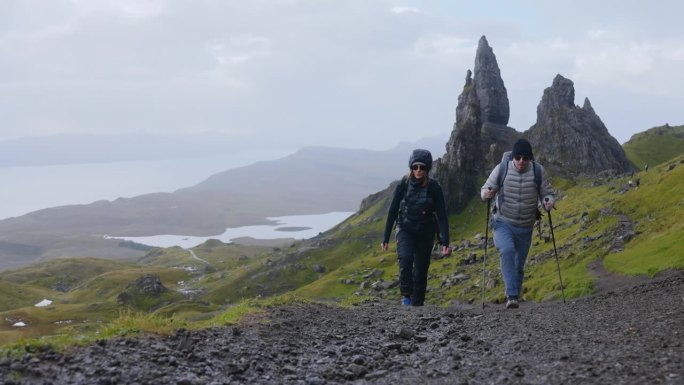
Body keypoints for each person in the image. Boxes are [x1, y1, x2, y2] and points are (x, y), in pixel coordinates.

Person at [481, 139, 554, 309]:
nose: (521, 161)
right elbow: (485, 189)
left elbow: (547, 193)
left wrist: (548, 201)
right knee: (507, 250)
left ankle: (516, 297)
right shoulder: (502, 168)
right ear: (513, 157)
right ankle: (512, 296)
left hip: (526, 226)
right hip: (503, 221)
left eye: (525, 158)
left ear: (530, 159)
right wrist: (487, 194)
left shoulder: (538, 171)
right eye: (518, 157)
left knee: (519, 265)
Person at [381, 149, 450, 306]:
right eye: (415, 167)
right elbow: (392, 210)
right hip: (405, 228)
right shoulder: (403, 185)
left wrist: (445, 241)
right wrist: (385, 237)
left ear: (427, 169)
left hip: (426, 232)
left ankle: (418, 304)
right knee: (405, 260)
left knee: (420, 271)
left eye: (422, 167)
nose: (418, 171)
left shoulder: (434, 187)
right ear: (411, 168)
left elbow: (442, 215)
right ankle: (406, 297)